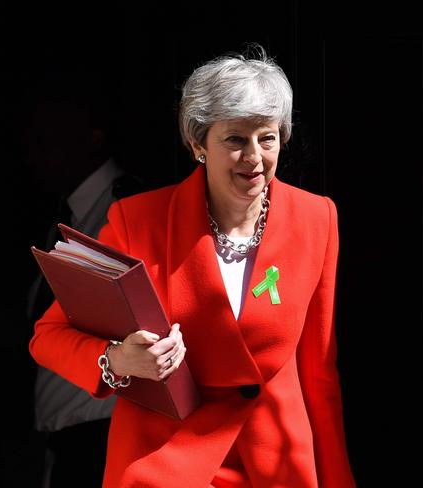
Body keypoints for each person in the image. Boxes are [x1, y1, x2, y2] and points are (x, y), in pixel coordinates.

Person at [29, 45, 356, 487]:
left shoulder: (318, 219)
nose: (255, 158)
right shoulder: (138, 220)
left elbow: (319, 375)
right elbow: (48, 337)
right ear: (198, 143)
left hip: (278, 468)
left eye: (268, 137)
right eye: (235, 140)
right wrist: (119, 360)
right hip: (165, 465)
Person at [25, 89, 147, 487]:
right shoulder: (64, 218)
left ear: (93, 136)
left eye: (51, 133)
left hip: (103, 432)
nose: (38, 148)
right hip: (64, 438)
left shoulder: (127, 208)